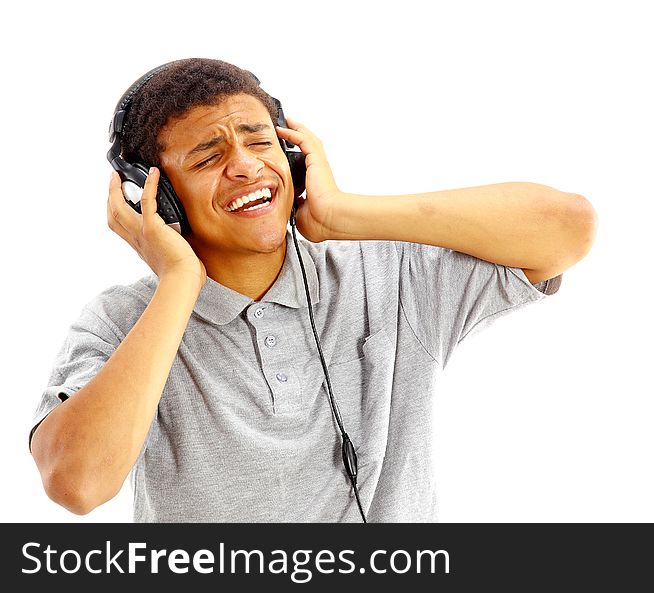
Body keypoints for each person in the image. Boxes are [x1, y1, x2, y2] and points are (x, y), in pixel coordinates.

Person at [29, 58, 597, 522]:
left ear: (295, 160)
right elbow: (76, 484)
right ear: (156, 198)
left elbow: (568, 227)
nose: (247, 167)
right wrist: (179, 282)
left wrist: (343, 215)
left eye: (259, 142)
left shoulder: (389, 278)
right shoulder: (123, 319)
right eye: (209, 156)